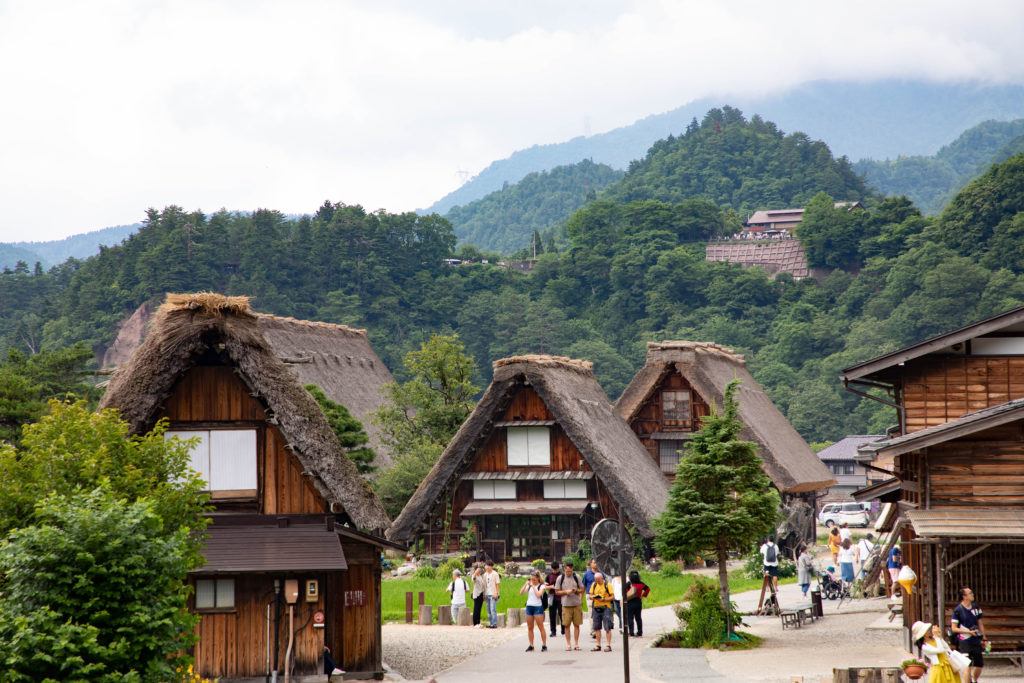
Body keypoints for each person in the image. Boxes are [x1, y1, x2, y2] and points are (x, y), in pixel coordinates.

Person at [951, 586, 987, 683]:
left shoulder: (976, 607)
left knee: (979, 664)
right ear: (964, 596)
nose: (972, 594)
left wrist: (984, 638)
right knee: (967, 665)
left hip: (976, 640)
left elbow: (980, 623)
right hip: (964, 641)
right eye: (970, 593)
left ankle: (974, 679)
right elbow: (954, 628)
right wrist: (968, 632)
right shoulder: (958, 610)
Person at [555, 561, 585, 651]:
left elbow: (582, 589)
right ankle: (568, 644)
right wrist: (565, 592)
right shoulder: (560, 578)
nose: (568, 573)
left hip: (576, 604)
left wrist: (576, 591)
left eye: (570, 571)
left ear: (572, 569)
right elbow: (557, 591)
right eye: (567, 571)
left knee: (577, 625)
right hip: (566, 605)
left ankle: (576, 644)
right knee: (566, 625)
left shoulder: (577, 577)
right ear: (564, 569)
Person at [519, 571, 549, 652]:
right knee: (530, 627)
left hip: (538, 607)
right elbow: (521, 593)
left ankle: (544, 645)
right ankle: (531, 645)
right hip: (529, 606)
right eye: (532, 579)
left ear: (538, 578)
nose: (533, 581)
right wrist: (526, 584)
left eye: (534, 579)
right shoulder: (529, 586)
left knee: (540, 627)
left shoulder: (542, 586)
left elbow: (538, 595)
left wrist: (533, 586)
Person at [588, 572, 614, 652]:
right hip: (596, 608)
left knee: (607, 627)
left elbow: (612, 597)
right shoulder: (594, 585)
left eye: (598, 579)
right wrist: (593, 597)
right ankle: (598, 645)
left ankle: (608, 645)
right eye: (596, 579)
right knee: (596, 628)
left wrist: (604, 599)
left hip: (606, 607)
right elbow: (590, 595)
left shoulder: (608, 585)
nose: (597, 581)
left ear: (602, 578)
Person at [625, 570, 650, 637]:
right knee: (638, 618)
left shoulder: (628, 584)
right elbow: (648, 589)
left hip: (630, 602)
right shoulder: (641, 583)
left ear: (630, 577)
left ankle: (631, 632)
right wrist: (643, 595)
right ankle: (640, 632)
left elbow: (625, 593)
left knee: (630, 618)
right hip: (638, 602)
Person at [545, 561, 564, 637]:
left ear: (558, 568)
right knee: (552, 614)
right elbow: (545, 586)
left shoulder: (562, 575)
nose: (555, 571)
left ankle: (563, 629)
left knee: (561, 613)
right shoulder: (549, 576)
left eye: (556, 569)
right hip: (551, 596)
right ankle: (553, 631)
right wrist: (551, 587)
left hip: (561, 596)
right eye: (553, 569)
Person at [583, 559, 598, 639]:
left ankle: (597, 629)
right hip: (590, 596)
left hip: (599, 596)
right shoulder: (587, 574)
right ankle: (593, 631)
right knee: (591, 613)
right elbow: (583, 586)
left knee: (598, 613)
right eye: (594, 562)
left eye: (596, 562)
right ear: (590, 564)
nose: (595, 564)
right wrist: (581, 597)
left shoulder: (601, 574)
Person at [483, 561, 501, 628]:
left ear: (491, 566)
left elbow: (497, 584)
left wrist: (496, 593)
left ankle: (494, 624)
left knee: (493, 609)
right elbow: (484, 585)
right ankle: (491, 623)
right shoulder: (485, 574)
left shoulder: (495, 574)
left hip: (493, 594)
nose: (486, 567)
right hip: (487, 594)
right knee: (488, 610)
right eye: (485, 566)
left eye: (487, 565)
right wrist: (484, 594)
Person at [471, 563, 486, 627]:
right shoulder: (474, 576)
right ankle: (475, 623)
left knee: (479, 609)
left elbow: (483, 586)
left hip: (481, 594)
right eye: (478, 570)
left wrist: (484, 595)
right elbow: (473, 579)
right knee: (476, 609)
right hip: (476, 594)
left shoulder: (480, 576)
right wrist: (475, 573)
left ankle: (478, 622)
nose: (479, 571)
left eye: (480, 570)